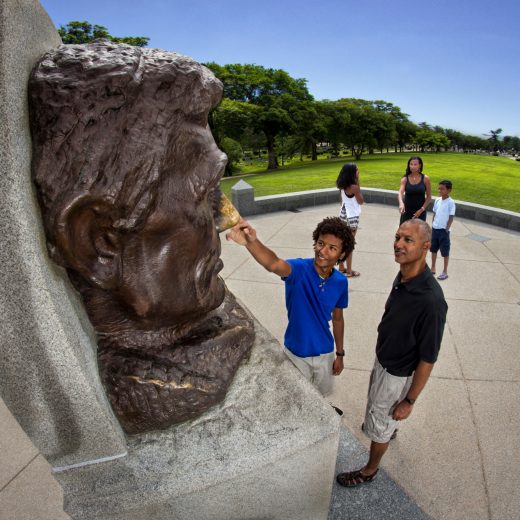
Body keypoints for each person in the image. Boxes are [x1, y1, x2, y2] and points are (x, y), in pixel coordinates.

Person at [29, 40, 254, 433]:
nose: (217, 222)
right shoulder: (158, 385)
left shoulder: (202, 313)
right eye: (201, 195)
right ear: (98, 242)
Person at [336, 219, 447, 487]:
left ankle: (370, 469)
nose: (398, 244)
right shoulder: (405, 274)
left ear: (426, 246)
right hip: (385, 360)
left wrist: (409, 401)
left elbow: (428, 358)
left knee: (380, 420)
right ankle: (387, 428)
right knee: (382, 415)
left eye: (408, 240)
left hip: (396, 374)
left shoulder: (431, 301)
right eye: (398, 237)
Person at [226, 217, 355, 397]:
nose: (323, 251)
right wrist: (251, 242)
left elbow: (338, 318)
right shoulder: (299, 270)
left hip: (325, 352)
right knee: (296, 399)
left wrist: (340, 354)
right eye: (320, 243)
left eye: (332, 248)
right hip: (296, 353)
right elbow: (273, 263)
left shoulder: (341, 282)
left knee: (321, 398)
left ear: (341, 255)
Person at [337, 163, 364, 277]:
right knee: (350, 244)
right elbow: (361, 201)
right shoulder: (354, 187)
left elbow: (341, 200)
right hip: (352, 217)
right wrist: (358, 184)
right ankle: (349, 271)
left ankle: (341, 267)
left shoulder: (342, 185)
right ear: (352, 173)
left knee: (343, 242)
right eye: (357, 170)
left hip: (343, 215)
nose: (358, 171)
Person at [430, 180, 456, 281]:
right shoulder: (437, 200)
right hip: (435, 229)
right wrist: (433, 225)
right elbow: (435, 213)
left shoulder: (451, 203)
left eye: (442, 189)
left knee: (445, 251)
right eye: (439, 188)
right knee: (433, 249)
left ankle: (445, 271)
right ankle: (433, 267)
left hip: (443, 231)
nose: (439, 190)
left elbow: (451, 217)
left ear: (449, 190)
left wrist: (446, 229)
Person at [398, 156, 432, 224]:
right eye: (411, 164)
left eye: (415, 164)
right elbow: (400, 193)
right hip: (406, 211)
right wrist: (401, 204)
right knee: (405, 233)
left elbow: (429, 197)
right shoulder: (405, 179)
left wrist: (421, 209)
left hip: (420, 211)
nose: (413, 166)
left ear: (420, 165)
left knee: (419, 233)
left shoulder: (425, 178)